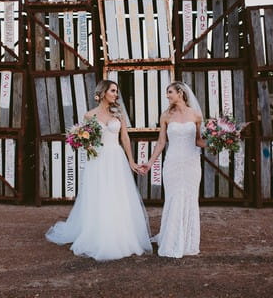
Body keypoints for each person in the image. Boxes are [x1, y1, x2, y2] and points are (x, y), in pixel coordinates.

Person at [46, 80, 152, 261]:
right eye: (113, 91)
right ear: (103, 93)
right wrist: (83, 142)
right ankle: (98, 233)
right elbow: (86, 140)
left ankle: (120, 234)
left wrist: (131, 161)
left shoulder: (119, 113)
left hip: (116, 157)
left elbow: (125, 138)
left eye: (116, 91)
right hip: (98, 159)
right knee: (100, 195)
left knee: (117, 195)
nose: (116, 94)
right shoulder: (89, 115)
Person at [142, 81, 206, 258]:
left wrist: (216, 143)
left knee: (189, 198)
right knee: (174, 197)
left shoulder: (196, 115)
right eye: (167, 93)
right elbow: (161, 142)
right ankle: (171, 240)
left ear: (180, 93)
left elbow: (198, 140)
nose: (167, 96)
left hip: (191, 162)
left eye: (170, 92)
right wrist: (150, 162)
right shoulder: (166, 116)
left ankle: (187, 241)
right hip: (173, 162)